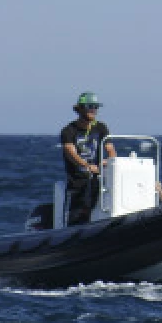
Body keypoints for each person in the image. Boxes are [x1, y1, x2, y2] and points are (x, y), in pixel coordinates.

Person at [60, 92, 115, 225]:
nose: (93, 110)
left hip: (96, 177)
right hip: (78, 179)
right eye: (90, 106)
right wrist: (87, 165)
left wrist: (109, 160)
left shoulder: (101, 128)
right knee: (78, 209)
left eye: (96, 107)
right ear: (80, 109)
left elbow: (110, 149)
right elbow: (70, 152)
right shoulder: (69, 130)